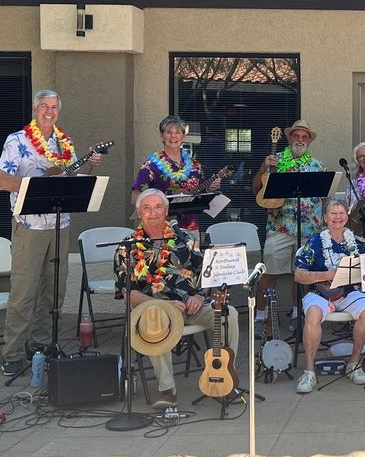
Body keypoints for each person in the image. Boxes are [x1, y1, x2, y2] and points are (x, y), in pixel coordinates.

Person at [0, 89, 103, 376]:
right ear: (35, 109)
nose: (49, 111)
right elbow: (2, 181)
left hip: (59, 224)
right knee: (23, 292)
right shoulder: (16, 140)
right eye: (44, 106)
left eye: (54, 107)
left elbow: (73, 180)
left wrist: (90, 163)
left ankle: (41, 344)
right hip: (29, 227)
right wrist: (35, 184)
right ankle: (12, 353)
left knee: (55, 290)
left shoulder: (63, 143)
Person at [115, 188, 241, 407]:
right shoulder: (127, 247)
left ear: (166, 210)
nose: (152, 213)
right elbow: (129, 293)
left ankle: (226, 380)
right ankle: (167, 389)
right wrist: (162, 304)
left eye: (157, 207)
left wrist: (200, 297)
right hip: (156, 309)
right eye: (146, 208)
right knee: (154, 322)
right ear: (139, 213)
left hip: (193, 306)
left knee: (229, 314)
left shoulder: (185, 237)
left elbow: (206, 273)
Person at [290, 200, 365, 392]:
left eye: (341, 213)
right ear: (325, 217)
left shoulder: (356, 243)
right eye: (333, 213)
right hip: (319, 293)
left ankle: (354, 364)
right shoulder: (314, 242)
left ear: (347, 215)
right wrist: (327, 275)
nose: (338, 217)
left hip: (348, 292)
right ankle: (310, 371)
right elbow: (299, 274)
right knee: (312, 314)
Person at [251, 119, 326, 309]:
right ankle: (260, 316)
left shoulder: (318, 167)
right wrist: (262, 168)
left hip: (309, 229)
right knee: (269, 273)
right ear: (289, 138)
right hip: (280, 227)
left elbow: (324, 199)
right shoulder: (275, 161)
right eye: (296, 136)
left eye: (304, 137)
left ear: (309, 141)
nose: (300, 139)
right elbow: (256, 191)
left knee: (301, 276)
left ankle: (297, 313)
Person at [131, 115, 222, 232]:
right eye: (169, 132)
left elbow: (200, 194)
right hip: (160, 228)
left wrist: (209, 188)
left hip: (191, 226)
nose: (173, 136)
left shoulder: (195, 166)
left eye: (177, 132)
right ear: (161, 136)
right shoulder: (150, 166)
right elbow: (135, 198)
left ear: (183, 136)